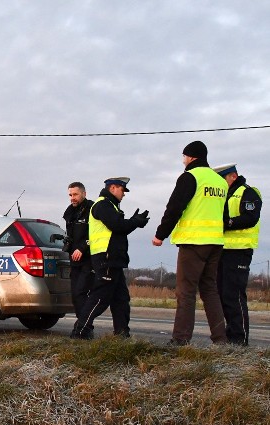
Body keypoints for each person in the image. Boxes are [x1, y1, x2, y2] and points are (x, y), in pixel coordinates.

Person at [152, 141, 227, 346]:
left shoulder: (190, 176)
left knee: (186, 291)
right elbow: (224, 214)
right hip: (216, 242)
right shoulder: (219, 181)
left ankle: (180, 339)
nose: (183, 161)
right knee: (210, 290)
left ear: (191, 157)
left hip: (194, 242)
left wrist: (160, 234)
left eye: (184, 157)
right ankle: (221, 339)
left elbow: (175, 207)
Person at [71, 177, 148, 339]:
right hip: (106, 258)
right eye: (122, 190)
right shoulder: (103, 205)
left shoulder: (110, 206)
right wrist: (135, 222)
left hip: (114, 259)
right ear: (113, 188)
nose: (124, 194)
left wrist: (134, 222)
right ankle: (80, 331)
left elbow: (119, 229)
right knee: (100, 297)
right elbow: (117, 226)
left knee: (121, 299)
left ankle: (121, 335)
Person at [213, 163, 262, 345]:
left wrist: (227, 223)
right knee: (222, 294)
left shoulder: (248, 192)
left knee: (234, 295)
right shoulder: (225, 194)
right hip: (223, 250)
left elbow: (250, 217)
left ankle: (239, 340)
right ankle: (230, 335)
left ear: (232, 176)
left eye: (222, 179)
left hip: (240, 251)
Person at [63, 182, 95, 320]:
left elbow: (95, 233)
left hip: (89, 259)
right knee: (76, 294)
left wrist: (82, 248)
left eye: (75, 194)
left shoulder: (93, 209)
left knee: (82, 292)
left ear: (84, 193)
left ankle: (85, 326)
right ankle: (82, 325)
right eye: (70, 195)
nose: (72, 197)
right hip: (74, 259)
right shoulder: (70, 212)